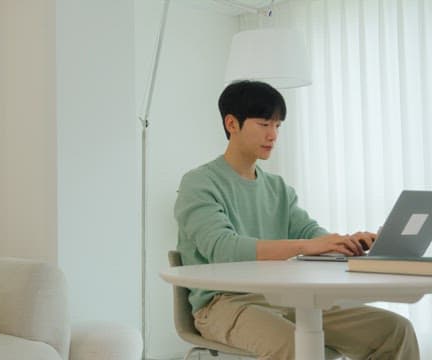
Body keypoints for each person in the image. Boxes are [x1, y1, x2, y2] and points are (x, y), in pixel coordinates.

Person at [173, 80, 419, 359]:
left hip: (286, 299)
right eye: (264, 124)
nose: (273, 135)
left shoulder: (277, 188)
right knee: (297, 347)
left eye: (278, 125)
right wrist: (305, 246)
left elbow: (310, 231)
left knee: (394, 330)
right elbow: (224, 249)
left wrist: (343, 242)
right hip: (222, 305)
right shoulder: (199, 183)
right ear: (232, 124)